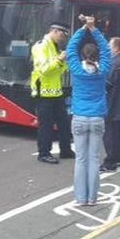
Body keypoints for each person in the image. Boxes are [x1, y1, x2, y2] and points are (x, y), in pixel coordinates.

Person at [66, 15, 111, 206]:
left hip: (79, 118)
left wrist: (83, 28)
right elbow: (107, 51)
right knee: (94, 160)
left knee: (81, 160)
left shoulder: (76, 69)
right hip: (97, 118)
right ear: (96, 55)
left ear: (82, 55)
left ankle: (80, 198)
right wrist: (94, 29)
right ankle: (92, 198)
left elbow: (69, 49)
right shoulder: (103, 70)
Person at [31, 22, 76, 164]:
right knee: (46, 125)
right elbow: (44, 69)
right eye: (62, 34)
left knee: (64, 122)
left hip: (56, 91)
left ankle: (65, 150)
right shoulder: (40, 46)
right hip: (43, 93)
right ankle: (44, 153)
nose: (63, 38)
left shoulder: (55, 47)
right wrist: (59, 59)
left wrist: (62, 63)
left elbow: (60, 70)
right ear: (55, 31)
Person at [100, 37, 120, 172]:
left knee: (110, 133)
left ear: (116, 48)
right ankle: (119, 157)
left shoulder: (114, 63)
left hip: (112, 103)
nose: (108, 47)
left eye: (109, 45)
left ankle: (110, 161)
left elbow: (107, 83)